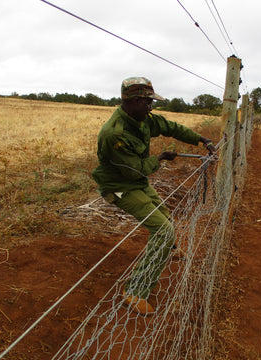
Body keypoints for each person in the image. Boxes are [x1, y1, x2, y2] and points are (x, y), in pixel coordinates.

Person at [92, 77, 216, 315]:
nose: (151, 107)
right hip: (118, 187)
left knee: (164, 215)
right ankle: (136, 291)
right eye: (148, 102)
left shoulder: (143, 119)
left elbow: (170, 127)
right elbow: (137, 168)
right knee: (162, 229)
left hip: (136, 181)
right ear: (134, 101)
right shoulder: (114, 134)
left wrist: (202, 139)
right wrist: (160, 158)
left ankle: (167, 249)